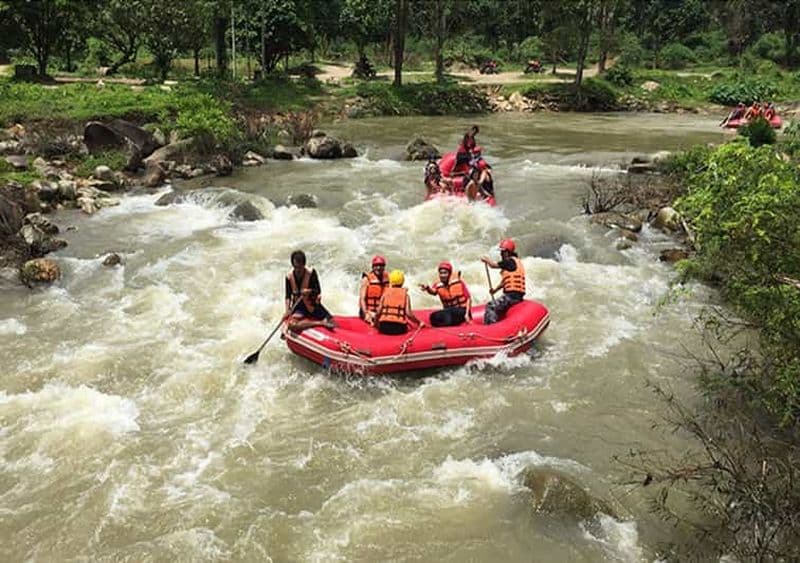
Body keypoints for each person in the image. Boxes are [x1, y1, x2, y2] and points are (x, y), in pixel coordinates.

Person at [285, 250, 336, 332]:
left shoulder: (311, 273)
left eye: (300, 267)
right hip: (299, 307)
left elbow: (317, 290)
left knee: (333, 323)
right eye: (295, 267)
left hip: (312, 305)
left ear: (303, 265)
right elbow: (288, 296)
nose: (298, 270)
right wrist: (287, 310)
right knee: (292, 326)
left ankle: (319, 321)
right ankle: (319, 323)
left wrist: (308, 291)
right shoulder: (289, 277)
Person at [480, 238, 526, 325]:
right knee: (498, 307)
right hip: (517, 296)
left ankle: (491, 328)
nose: (501, 254)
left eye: (502, 251)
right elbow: (505, 282)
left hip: (511, 297)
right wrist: (495, 290)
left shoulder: (509, 262)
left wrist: (486, 260)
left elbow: (493, 265)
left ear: (507, 252)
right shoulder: (515, 262)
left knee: (490, 306)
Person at [419, 261, 472, 327]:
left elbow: (468, 299)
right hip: (448, 311)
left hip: (461, 310)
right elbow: (433, 292)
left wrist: (467, 314)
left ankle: (448, 324)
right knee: (433, 316)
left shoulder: (459, 282)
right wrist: (427, 288)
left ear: (449, 274)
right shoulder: (438, 285)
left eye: (445, 273)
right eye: (441, 273)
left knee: (448, 315)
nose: (442, 275)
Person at [375, 269, 424, 335]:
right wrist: (419, 322)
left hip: (384, 327)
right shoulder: (405, 295)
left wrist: (375, 324)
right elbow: (409, 314)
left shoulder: (385, 293)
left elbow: (378, 312)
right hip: (399, 328)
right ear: (402, 282)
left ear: (391, 281)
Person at [359, 255, 389, 324]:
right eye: (376, 265)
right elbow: (362, 299)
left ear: (384, 267)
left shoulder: (388, 278)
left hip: (380, 311)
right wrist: (366, 313)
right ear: (373, 267)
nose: (378, 268)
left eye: (381, 265)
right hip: (368, 311)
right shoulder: (366, 279)